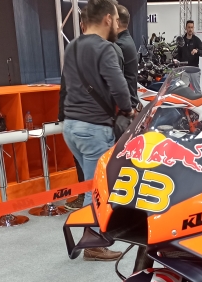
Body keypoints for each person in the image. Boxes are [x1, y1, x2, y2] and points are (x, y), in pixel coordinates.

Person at [61, 0, 132, 261]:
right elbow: (119, 87)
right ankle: (93, 244)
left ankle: (92, 236)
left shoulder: (72, 46)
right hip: (93, 128)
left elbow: (66, 86)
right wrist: (128, 110)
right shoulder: (106, 48)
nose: (117, 24)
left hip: (71, 127)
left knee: (90, 185)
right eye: (115, 19)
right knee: (97, 190)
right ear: (107, 19)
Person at [115, 5, 139, 109]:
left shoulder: (119, 45)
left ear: (117, 21)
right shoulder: (126, 40)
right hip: (129, 102)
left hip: (125, 106)